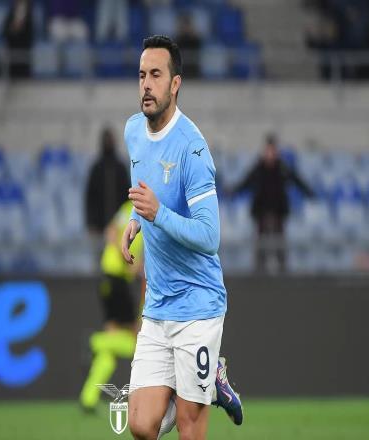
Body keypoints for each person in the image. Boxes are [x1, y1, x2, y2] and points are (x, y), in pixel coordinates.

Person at [121, 35, 242, 440]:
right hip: (159, 305)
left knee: (190, 429)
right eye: (142, 75)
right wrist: (137, 220)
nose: (146, 84)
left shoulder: (192, 149)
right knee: (141, 425)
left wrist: (158, 213)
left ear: (175, 84)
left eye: (156, 75)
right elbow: (148, 188)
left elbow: (209, 236)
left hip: (198, 306)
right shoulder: (133, 131)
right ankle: (202, 382)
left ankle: (204, 382)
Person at [80, 200, 144, 412]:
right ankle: (94, 342)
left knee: (113, 340)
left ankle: (88, 398)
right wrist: (124, 254)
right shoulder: (133, 208)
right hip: (115, 276)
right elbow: (111, 231)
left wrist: (137, 265)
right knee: (133, 337)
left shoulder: (151, 214)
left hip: (115, 278)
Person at [228, 133, 315, 272]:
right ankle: (259, 268)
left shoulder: (282, 167)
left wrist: (309, 192)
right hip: (261, 210)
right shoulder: (259, 167)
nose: (271, 153)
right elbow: (246, 181)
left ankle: (282, 268)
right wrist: (233, 191)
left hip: (278, 210)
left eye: (273, 150)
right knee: (261, 240)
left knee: (279, 240)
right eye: (269, 150)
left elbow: (296, 180)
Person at [85, 126, 130, 234]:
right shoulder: (96, 168)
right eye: (106, 140)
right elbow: (90, 198)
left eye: (110, 140)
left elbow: (127, 197)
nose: (108, 143)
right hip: (99, 226)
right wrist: (91, 222)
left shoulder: (120, 168)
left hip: (119, 225)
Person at [3, 0, 34, 78]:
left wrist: (20, 28)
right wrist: (13, 29)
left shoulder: (29, 16)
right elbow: (4, 32)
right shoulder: (11, 14)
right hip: (12, 52)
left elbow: (31, 36)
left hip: (24, 53)